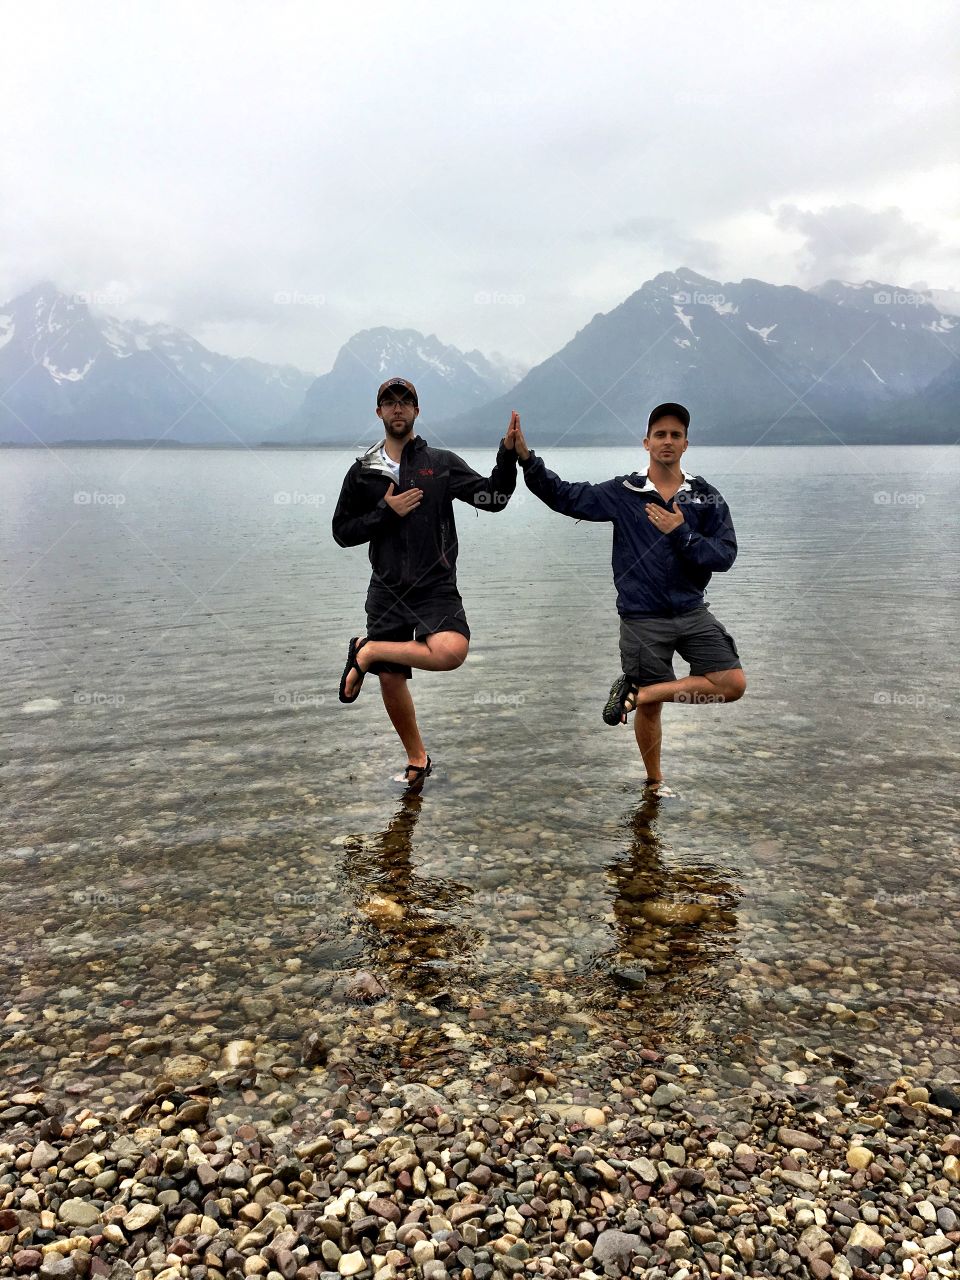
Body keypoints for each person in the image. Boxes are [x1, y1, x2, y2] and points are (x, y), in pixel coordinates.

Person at [509, 403, 746, 792]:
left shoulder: (705, 497)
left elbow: (725, 556)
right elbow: (566, 496)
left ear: (686, 443)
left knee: (731, 684)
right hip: (642, 617)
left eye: (675, 435)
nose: (667, 441)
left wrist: (681, 532)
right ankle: (655, 783)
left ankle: (642, 690)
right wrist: (526, 460)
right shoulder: (626, 493)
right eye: (660, 434)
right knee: (649, 710)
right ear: (646, 442)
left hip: (691, 611)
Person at [333, 378, 520, 786]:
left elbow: (495, 498)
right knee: (391, 676)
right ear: (378, 412)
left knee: (452, 651)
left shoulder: (441, 463)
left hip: (436, 584)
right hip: (387, 587)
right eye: (389, 402)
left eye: (406, 402)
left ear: (417, 411)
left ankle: (366, 651)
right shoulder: (364, 472)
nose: (397, 408)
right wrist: (386, 510)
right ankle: (416, 757)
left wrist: (506, 457)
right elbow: (342, 531)